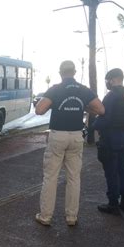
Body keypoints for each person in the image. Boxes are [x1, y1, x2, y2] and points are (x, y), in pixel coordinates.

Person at [34, 60, 105, 227]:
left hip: (58, 136)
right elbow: (101, 110)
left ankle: (45, 216)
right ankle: (71, 217)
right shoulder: (83, 90)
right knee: (74, 178)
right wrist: (85, 108)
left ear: (60, 72)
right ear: (74, 72)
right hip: (76, 136)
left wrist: (52, 104)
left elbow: (39, 110)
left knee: (51, 177)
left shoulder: (55, 89)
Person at [93, 68, 124, 215]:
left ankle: (113, 203)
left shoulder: (111, 96)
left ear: (113, 80)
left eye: (107, 80)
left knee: (111, 172)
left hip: (110, 138)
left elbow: (105, 119)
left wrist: (94, 124)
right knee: (122, 169)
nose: (107, 83)